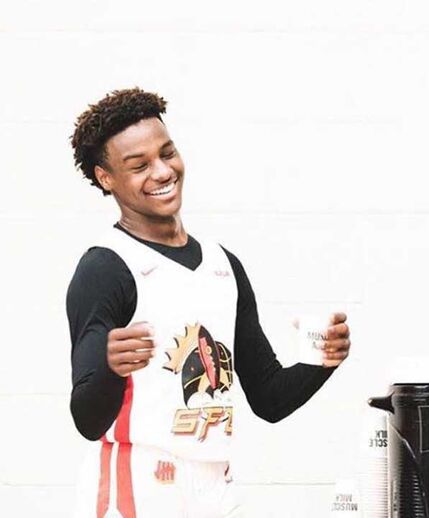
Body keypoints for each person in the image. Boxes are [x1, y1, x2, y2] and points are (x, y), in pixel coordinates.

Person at [67, 88, 351, 517]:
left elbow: (269, 399)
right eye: (139, 165)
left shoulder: (223, 265)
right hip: (140, 488)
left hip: (216, 486)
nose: (162, 171)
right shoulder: (105, 268)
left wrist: (322, 361)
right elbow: (87, 421)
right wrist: (110, 368)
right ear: (106, 178)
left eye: (167, 153)